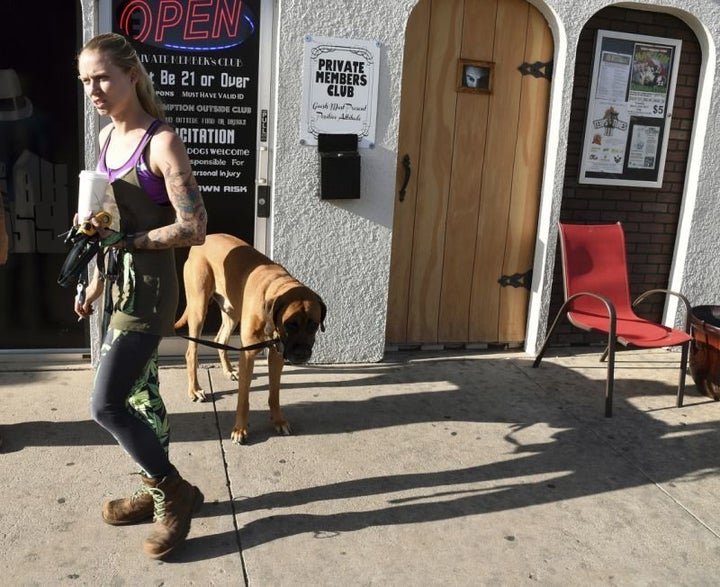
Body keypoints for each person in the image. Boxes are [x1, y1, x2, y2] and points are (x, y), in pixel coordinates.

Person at [74, 32, 207, 560]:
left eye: (102, 77)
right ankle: (155, 489)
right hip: (117, 286)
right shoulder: (107, 139)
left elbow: (194, 226)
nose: (94, 90)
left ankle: (174, 492)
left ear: (132, 75)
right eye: (85, 81)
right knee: (139, 397)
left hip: (149, 293)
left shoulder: (162, 142)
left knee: (105, 404)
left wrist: (130, 244)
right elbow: (108, 224)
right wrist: (95, 279)